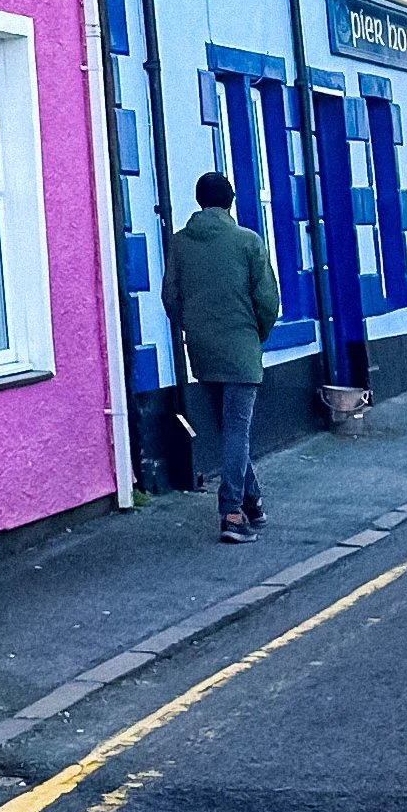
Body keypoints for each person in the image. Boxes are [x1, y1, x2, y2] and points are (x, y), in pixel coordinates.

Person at [161, 167, 281, 542]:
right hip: (241, 347)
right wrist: (254, 335)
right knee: (237, 432)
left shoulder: (180, 243)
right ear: (230, 202)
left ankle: (253, 500)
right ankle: (231, 513)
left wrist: (190, 329)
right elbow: (267, 300)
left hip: (202, 348)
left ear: (199, 201)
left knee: (229, 430)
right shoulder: (248, 242)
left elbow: (171, 296)